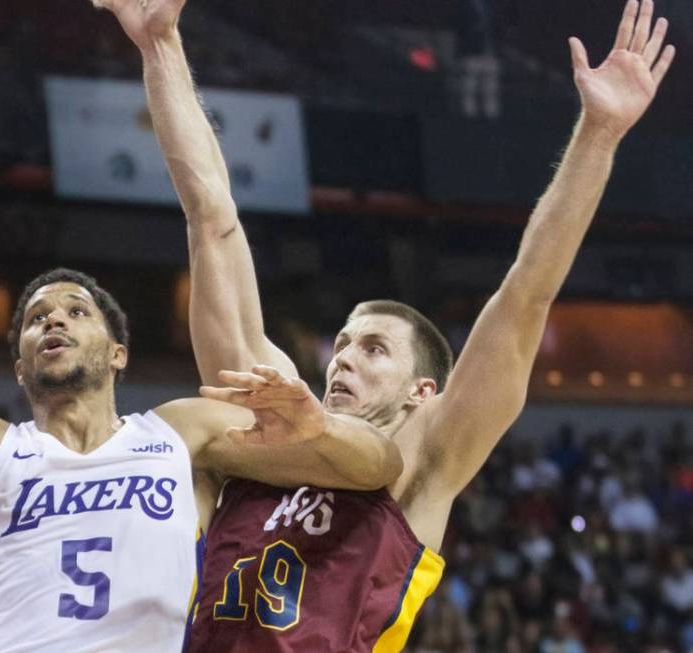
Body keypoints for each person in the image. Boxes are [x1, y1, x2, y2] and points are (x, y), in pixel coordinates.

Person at [95, 0, 675, 650]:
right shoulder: (269, 426)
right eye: (341, 344)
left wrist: (598, 134)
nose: (343, 358)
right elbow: (211, 216)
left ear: (420, 392)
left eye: (373, 348)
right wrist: (160, 46)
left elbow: (527, 293)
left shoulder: (428, 460)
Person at [0, 119, 404, 652]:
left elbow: (375, 467)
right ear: (20, 367)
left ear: (118, 354)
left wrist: (318, 428)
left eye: (77, 311)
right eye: (35, 317)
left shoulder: (183, 435)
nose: (53, 318)